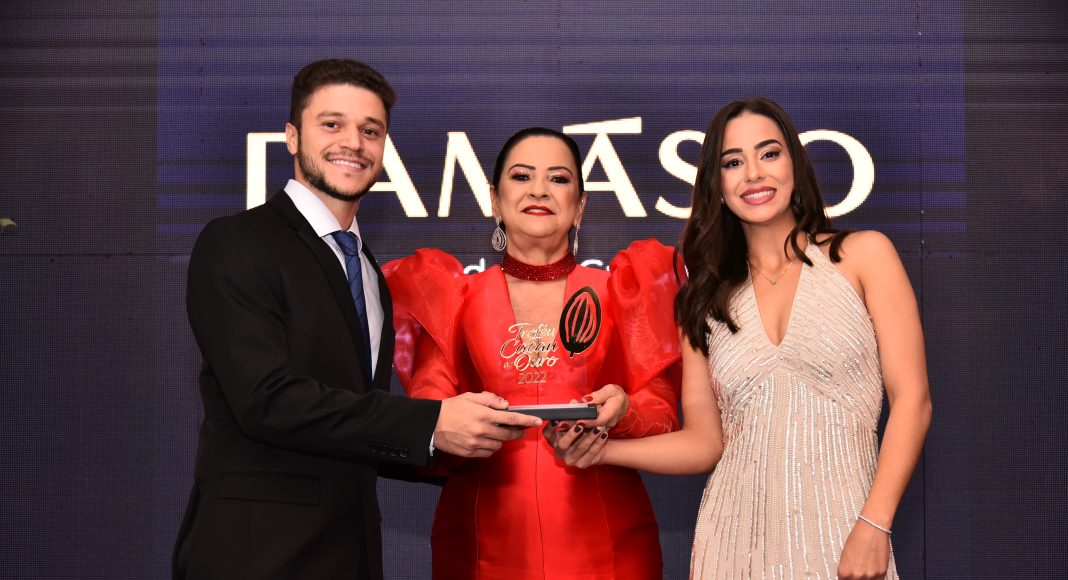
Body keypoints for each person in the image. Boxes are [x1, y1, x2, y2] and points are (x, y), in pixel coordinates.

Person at [172, 59, 541, 580]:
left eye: (371, 131)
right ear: (292, 136)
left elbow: (354, 423)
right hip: (253, 555)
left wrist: (473, 442)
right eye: (332, 124)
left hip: (351, 554)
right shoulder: (237, 242)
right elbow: (267, 400)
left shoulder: (367, 271)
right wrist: (431, 422)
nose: (353, 143)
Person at [548, 97, 932, 579]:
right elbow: (705, 443)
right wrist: (601, 450)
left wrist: (875, 522)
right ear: (717, 183)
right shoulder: (703, 300)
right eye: (733, 162)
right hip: (733, 545)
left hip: (847, 533)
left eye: (769, 153)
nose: (753, 173)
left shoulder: (863, 256)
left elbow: (913, 399)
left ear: (794, 164)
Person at [382, 127, 683, 579]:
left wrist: (622, 411)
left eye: (558, 179)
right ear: (494, 200)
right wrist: (458, 423)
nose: (539, 190)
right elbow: (427, 418)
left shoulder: (624, 291)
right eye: (522, 176)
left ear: (580, 206)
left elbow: (662, 414)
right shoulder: (452, 299)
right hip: (482, 547)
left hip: (610, 545)